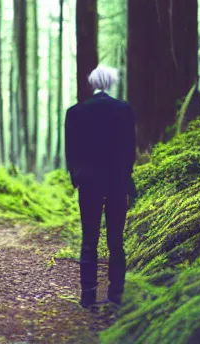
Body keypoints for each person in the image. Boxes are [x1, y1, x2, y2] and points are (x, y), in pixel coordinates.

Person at [65, 65, 137, 308]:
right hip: (117, 183)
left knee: (89, 240)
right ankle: (116, 294)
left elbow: (71, 150)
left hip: (89, 184)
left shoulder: (75, 112)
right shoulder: (124, 110)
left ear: (92, 83)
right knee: (116, 240)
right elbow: (130, 151)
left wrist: (77, 178)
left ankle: (88, 296)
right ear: (112, 82)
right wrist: (126, 179)